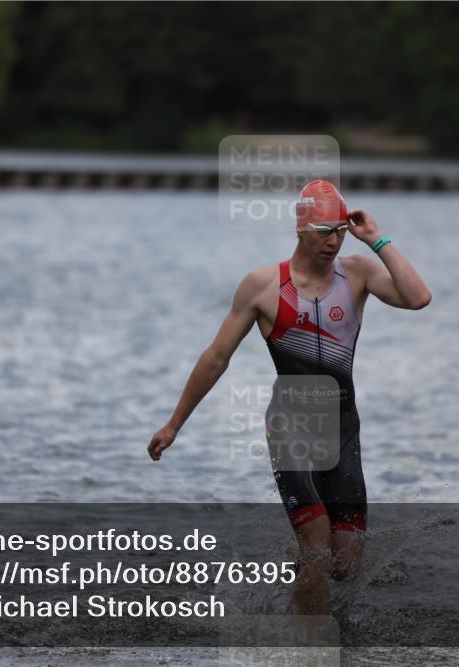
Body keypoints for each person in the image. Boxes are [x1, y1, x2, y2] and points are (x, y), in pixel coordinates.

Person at [148, 179, 431, 614]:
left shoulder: (358, 273)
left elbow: (418, 298)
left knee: (344, 565)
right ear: (300, 229)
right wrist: (174, 424)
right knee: (317, 546)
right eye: (323, 231)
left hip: (343, 427)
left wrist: (376, 238)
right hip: (290, 426)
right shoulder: (264, 285)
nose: (333, 241)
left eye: (339, 231)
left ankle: (296, 573)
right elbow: (217, 356)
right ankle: (310, 639)